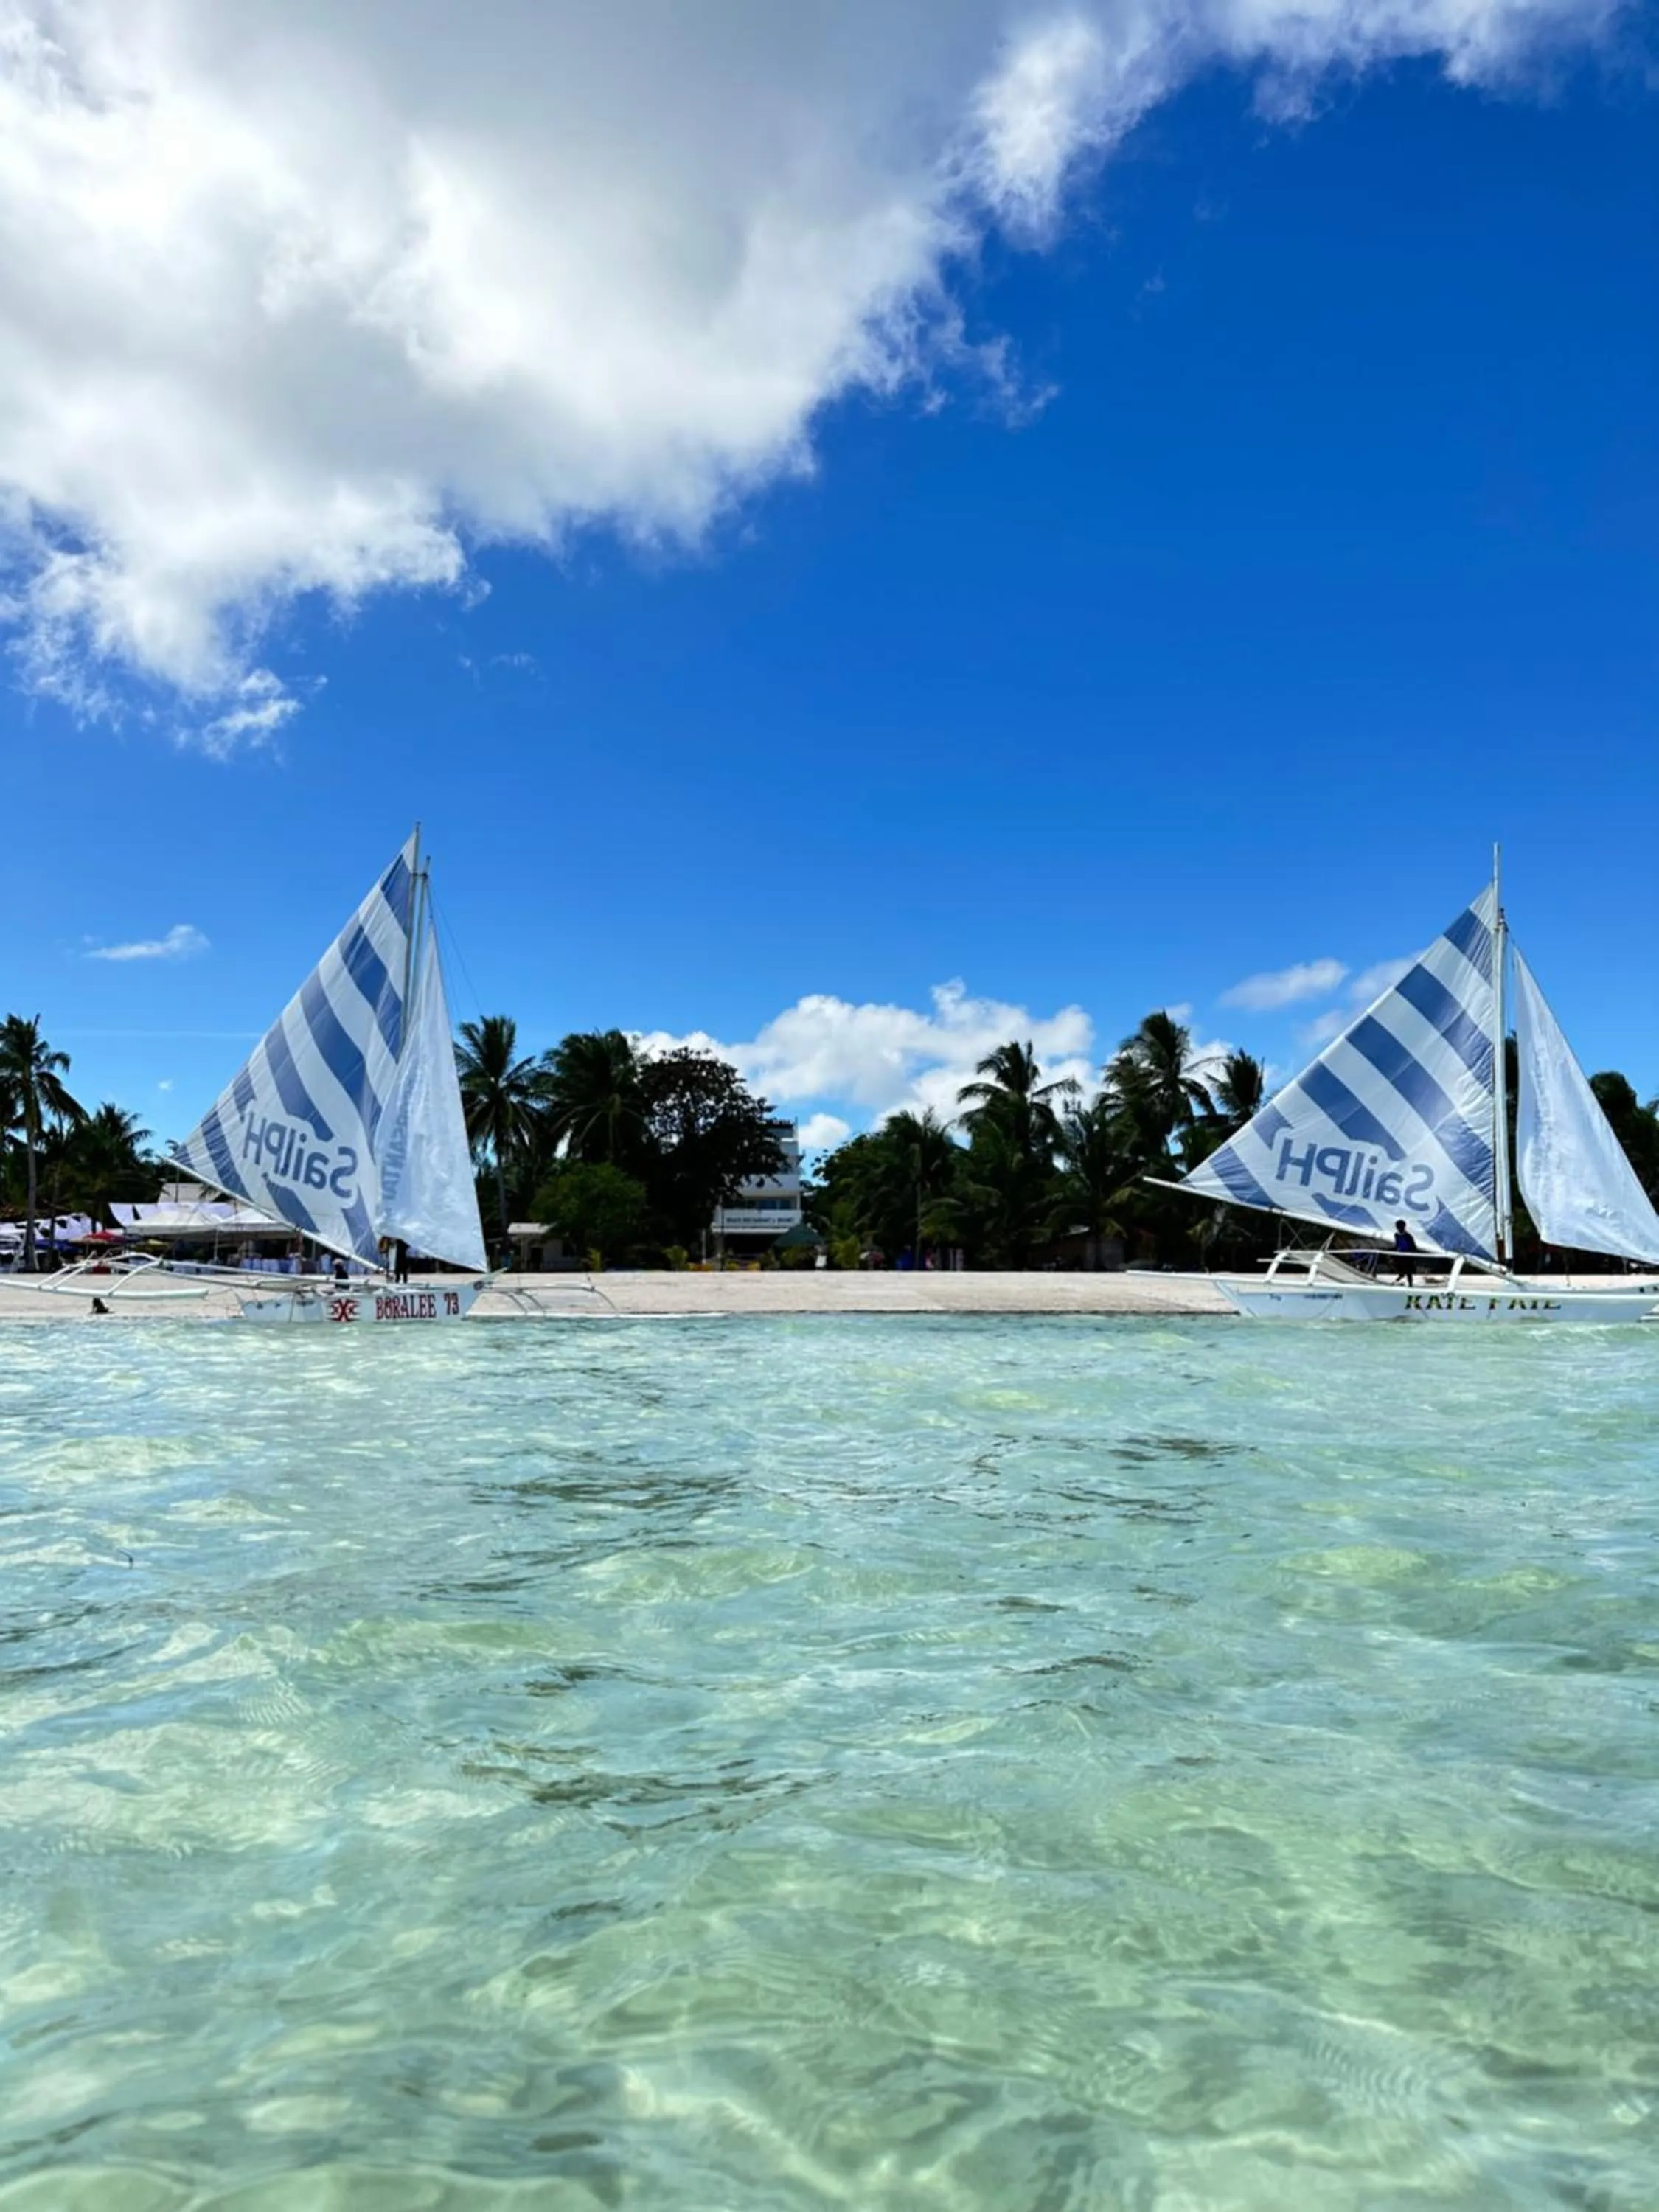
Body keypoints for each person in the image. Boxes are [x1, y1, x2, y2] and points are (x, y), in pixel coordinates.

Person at [1392, 1218, 1418, 1286]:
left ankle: (1410, 1284)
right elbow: (1397, 1244)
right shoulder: (1396, 1235)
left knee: (1409, 1271)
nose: (1399, 1229)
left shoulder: (1408, 1236)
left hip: (1408, 1255)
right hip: (1400, 1254)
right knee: (1395, 1264)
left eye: (1401, 1227)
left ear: (1404, 1227)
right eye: (1398, 1227)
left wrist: (1413, 1257)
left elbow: (1413, 1246)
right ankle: (1401, 1274)